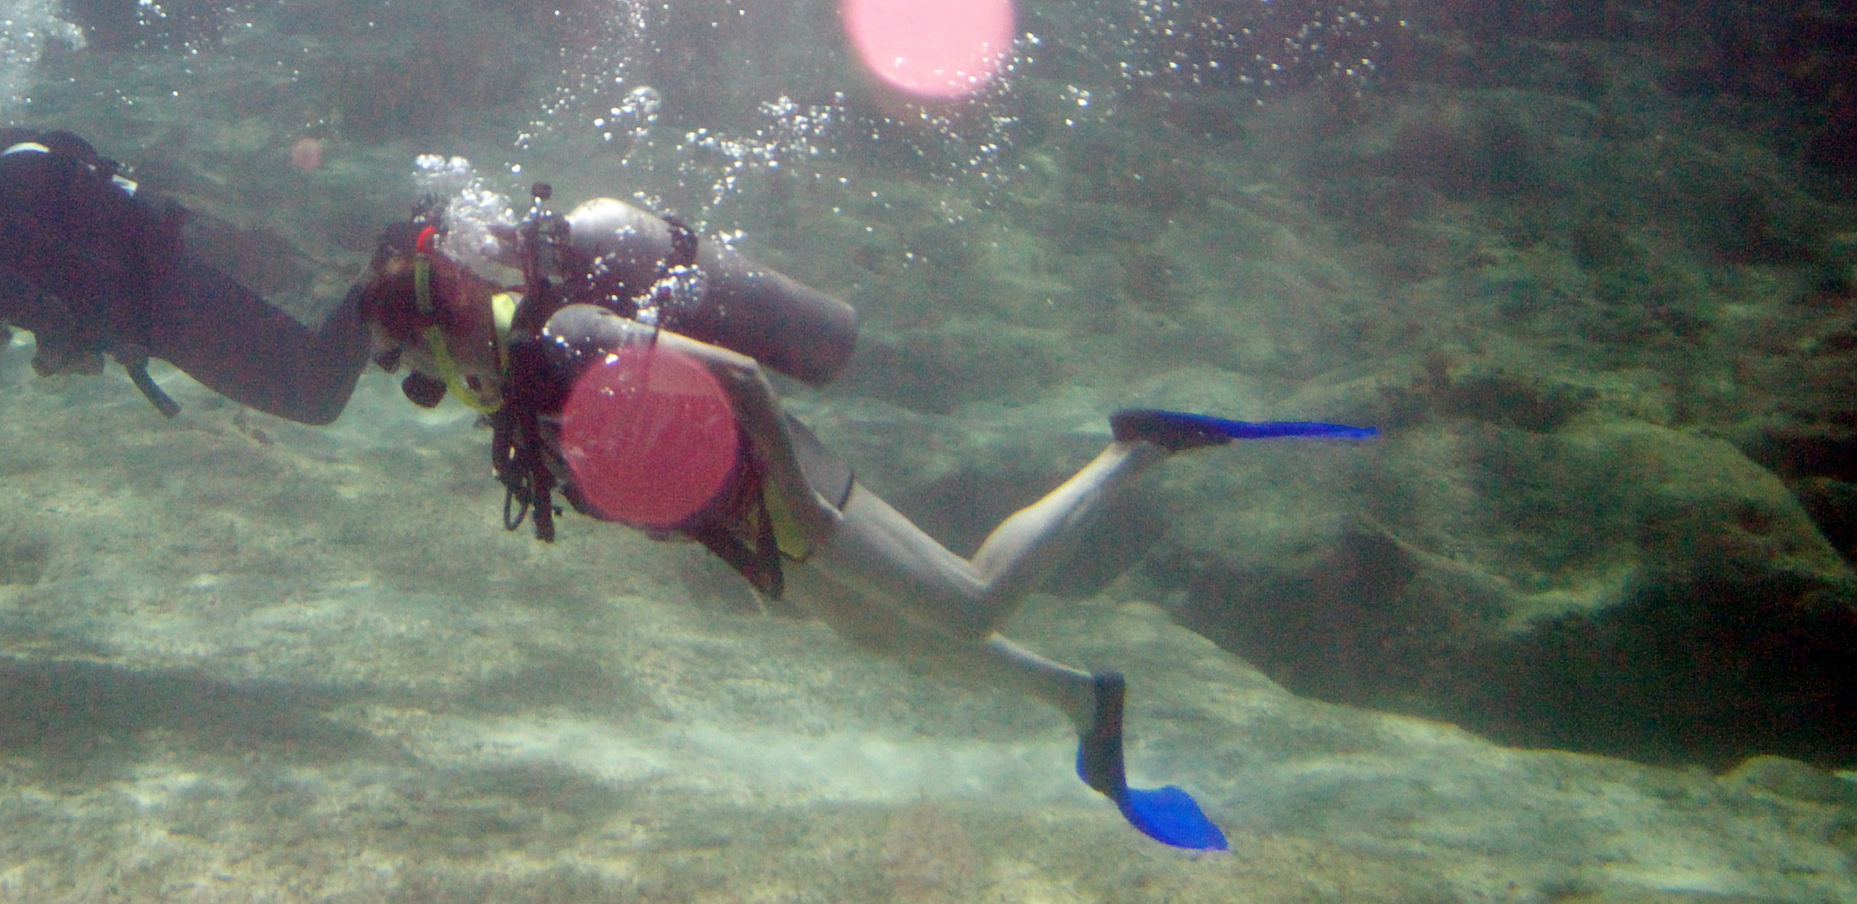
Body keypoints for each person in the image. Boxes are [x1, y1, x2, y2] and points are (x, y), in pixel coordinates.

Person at [324, 184, 1375, 851]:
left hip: (794, 500)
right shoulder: (514, 390)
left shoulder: (571, 334)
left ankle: (1132, 448)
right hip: (746, 531)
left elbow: (739, 381)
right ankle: (1084, 707)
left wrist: (789, 503)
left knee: (965, 607)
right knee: (901, 647)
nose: (419, 382)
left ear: (438, 325)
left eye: (410, 360)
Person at [0, 128, 370, 425]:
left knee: (314, 395)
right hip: (169, 284)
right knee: (313, 376)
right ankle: (395, 294)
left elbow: (57, 321)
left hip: (165, 312)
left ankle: (397, 280)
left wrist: (57, 355)